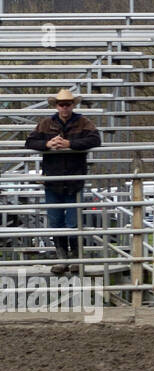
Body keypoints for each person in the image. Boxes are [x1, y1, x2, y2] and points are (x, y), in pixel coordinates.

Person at [24, 89, 101, 274]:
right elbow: (30, 142)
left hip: (74, 179)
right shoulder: (46, 123)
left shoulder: (83, 122)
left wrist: (70, 144)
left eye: (67, 104)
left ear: (73, 105)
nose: (64, 107)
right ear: (57, 106)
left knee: (73, 222)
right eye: (61, 104)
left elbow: (96, 140)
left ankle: (74, 258)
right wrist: (47, 145)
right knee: (56, 221)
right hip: (53, 179)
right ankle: (62, 258)